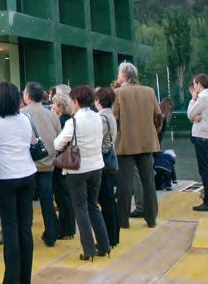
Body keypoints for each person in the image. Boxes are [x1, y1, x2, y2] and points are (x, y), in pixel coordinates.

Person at [0, 82, 36, 284]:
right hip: (27, 173)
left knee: (10, 226)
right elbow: (30, 142)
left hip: (4, 176)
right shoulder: (25, 119)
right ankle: (24, 278)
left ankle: (12, 278)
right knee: (25, 227)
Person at [54, 86, 111, 261]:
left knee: (80, 208)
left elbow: (57, 144)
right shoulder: (97, 117)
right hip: (97, 166)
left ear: (77, 102)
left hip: (78, 169)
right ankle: (104, 245)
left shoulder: (74, 122)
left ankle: (88, 249)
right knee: (93, 205)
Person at [112, 61, 162, 229]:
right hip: (147, 142)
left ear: (123, 76)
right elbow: (158, 116)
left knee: (124, 183)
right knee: (148, 181)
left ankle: (122, 220)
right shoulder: (149, 91)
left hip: (125, 144)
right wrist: (153, 132)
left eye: (119, 73)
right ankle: (151, 218)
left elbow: (114, 118)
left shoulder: (118, 93)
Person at [22, 81, 61, 248]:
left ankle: (26, 236)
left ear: (28, 96)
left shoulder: (22, 114)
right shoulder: (52, 115)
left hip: (28, 165)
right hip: (48, 164)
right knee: (47, 201)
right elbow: (59, 137)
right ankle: (51, 234)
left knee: (26, 203)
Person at [187, 74, 208, 211]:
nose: (194, 87)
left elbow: (190, 114)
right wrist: (196, 117)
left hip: (202, 138)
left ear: (199, 84)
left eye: (194, 84)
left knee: (205, 170)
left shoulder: (202, 97)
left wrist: (193, 99)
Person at [95, 87, 120, 247]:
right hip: (110, 162)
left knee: (106, 201)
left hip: (103, 163)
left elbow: (99, 140)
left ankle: (109, 237)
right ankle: (114, 235)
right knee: (109, 201)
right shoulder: (110, 115)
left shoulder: (102, 118)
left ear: (98, 101)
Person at [51, 88, 76, 240]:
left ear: (60, 107)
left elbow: (58, 143)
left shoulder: (61, 121)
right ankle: (68, 227)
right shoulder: (71, 119)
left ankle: (66, 228)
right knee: (66, 195)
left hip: (61, 162)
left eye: (54, 105)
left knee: (62, 196)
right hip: (70, 161)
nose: (53, 108)